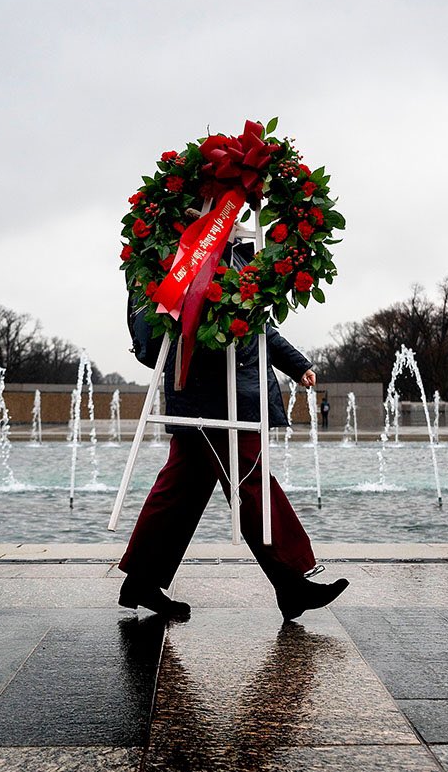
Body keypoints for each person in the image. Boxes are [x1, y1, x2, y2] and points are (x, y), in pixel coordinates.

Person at [118, 239, 349, 624]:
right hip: (211, 393)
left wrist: (296, 363)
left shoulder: (241, 254)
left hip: (230, 392)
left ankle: (142, 580)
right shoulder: (183, 249)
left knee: (181, 489)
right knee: (250, 480)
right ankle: (292, 580)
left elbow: (259, 326)